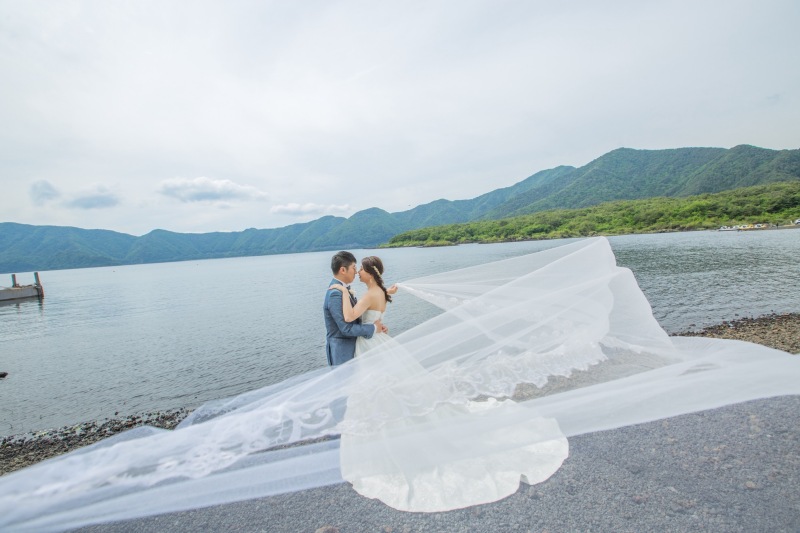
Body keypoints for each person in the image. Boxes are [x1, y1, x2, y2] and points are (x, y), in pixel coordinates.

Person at [323, 251, 384, 366]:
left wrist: (375, 326)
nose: (356, 272)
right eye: (354, 268)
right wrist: (374, 328)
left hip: (355, 348)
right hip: (343, 352)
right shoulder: (335, 293)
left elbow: (355, 317)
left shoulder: (343, 289)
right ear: (342, 270)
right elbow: (345, 329)